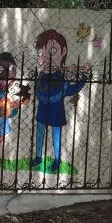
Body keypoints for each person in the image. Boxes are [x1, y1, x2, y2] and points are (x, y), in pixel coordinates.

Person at [33, 29, 89, 172]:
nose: (46, 58)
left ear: (63, 52)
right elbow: (38, 91)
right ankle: (38, 157)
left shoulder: (61, 77)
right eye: (41, 54)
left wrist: (82, 79)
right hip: (42, 111)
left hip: (56, 112)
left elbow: (70, 90)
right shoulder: (41, 76)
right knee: (39, 134)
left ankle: (57, 159)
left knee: (55, 137)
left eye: (52, 52)